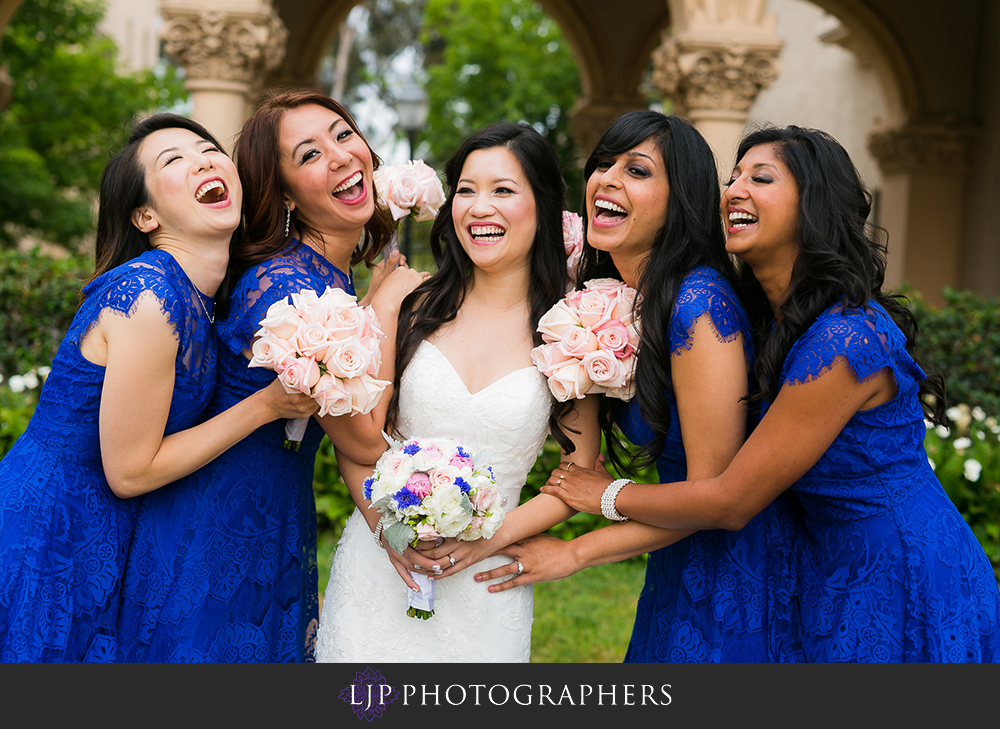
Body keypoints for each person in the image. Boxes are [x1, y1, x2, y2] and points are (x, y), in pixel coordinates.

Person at [541, 124, 1000, 662]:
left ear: (814, 207)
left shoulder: (844, 339)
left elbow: (731, 499)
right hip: (823, 565)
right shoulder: (767, 316)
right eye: (733, 177)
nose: (734, 189)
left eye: (761, 178)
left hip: (905, 573)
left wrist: (603, 496)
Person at [474, 110, 802, 662]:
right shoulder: (617, 298)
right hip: (679, 556)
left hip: (733, 566)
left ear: (681, 200)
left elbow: (713, 494)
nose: (606, 179)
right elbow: (580, 463)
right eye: (602, 164)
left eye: (637, 170)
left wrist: (576, 552)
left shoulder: (699, 305)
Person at [116, 90, 425, 663]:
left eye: (341, 134)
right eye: (307, 155)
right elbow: (359, 437)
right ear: (282, 192)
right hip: (214, 525)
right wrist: (384, 306)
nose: (337, 156)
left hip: (273, 512)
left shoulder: (328, 272)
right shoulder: (286, 288)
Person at [0, 113, 318, 662]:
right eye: (174, 160)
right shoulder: (150, 294)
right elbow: (129, 471)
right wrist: (265, 405)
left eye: (208, 149)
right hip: (54, 527)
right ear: (145, 215)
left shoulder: (204, 297)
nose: (204, 160)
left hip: (111, 528)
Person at [314, 121, 601, 663]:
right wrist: (388, 534)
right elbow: (356, 440)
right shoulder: (411, 303)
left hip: (487, 582)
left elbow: (579, 475)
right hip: (381, 571)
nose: (479, 207)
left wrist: (487, 540)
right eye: (466, 190)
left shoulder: (573, 331)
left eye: (503, 190)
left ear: (542, 206)